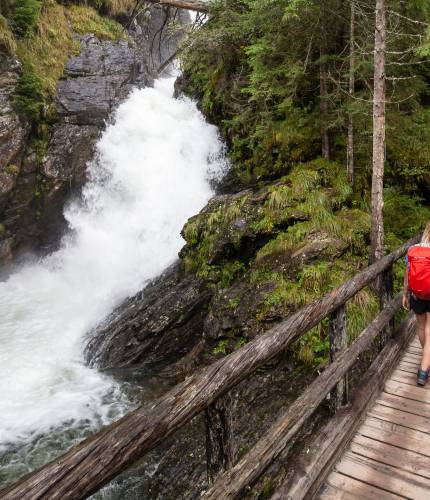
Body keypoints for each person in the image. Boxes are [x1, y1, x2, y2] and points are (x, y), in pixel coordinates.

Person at [403, 221, 430, 386]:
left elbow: (407, 272)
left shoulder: (413, 249)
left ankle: (426, 360)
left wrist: (405, 294)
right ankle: (423, 371)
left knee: (421, 327)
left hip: (416, 294)